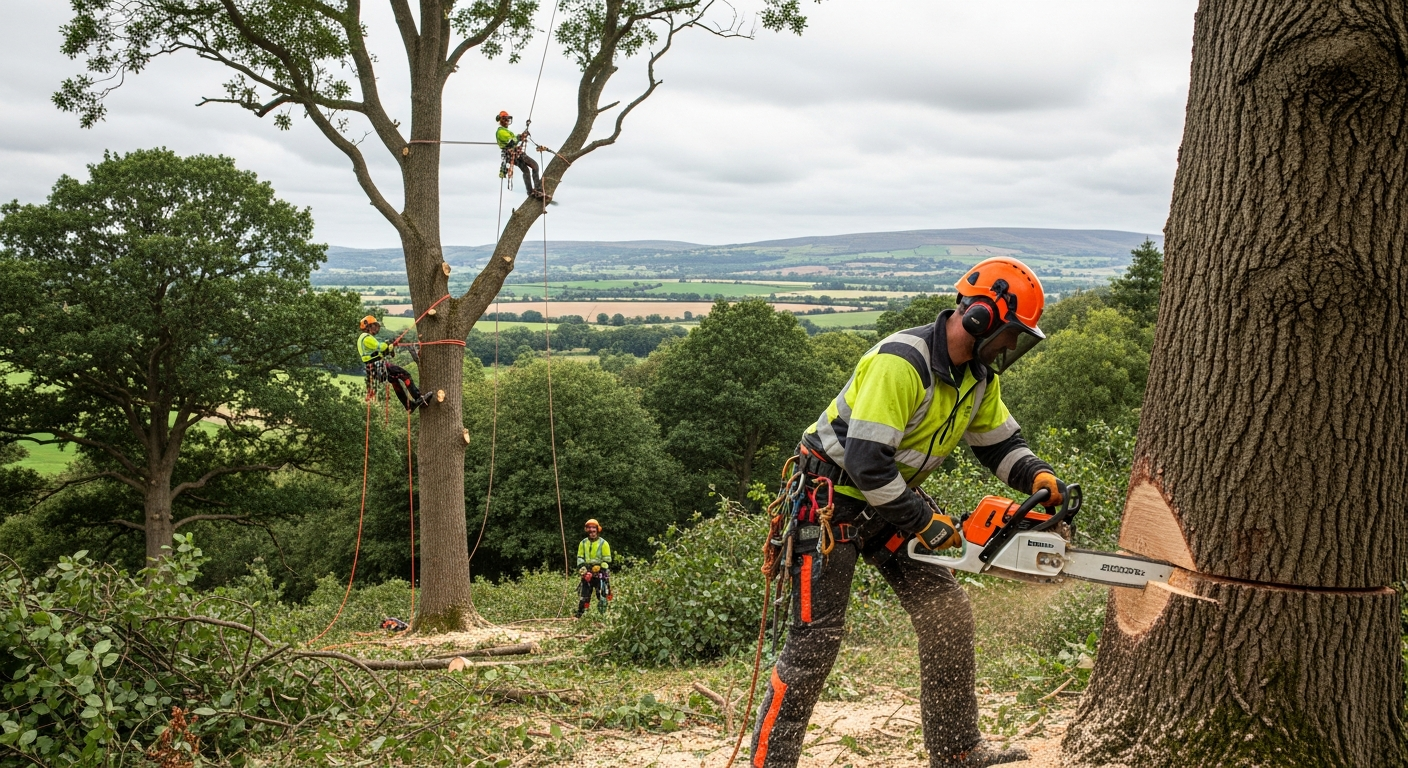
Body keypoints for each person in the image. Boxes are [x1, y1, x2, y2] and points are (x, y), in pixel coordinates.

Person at [749, 257, 1065, 768]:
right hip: (828, 502)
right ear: (982, 317)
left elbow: (998, 443)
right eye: (1009, 334)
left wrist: (1036, 475)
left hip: (890, 501)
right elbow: (868, 463)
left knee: (948, 615)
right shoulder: (903, 362)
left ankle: (957, 748)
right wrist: (924, 522)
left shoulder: (978, 377)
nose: (1010, 346)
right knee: (815, 641)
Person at [357, 316, 432, 413]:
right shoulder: (366, 338)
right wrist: (389, 345)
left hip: (374, 367)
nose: (376, 328)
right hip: (378, 365)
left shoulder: (362, 339)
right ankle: (418, 397)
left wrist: (390, 347)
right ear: (369, 326)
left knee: (395, 381)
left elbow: (378, 353)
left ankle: (409, 406)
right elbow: (381, 347)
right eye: (375, 325)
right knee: (404, 375)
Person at [495, 111, 547, 201]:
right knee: (535, 166)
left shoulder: (506, 131)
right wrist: (520, 136)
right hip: (514, 155)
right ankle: (537, 190)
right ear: (502, 120)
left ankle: (531, 192)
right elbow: (512, 141)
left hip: (514, 155)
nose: (507, 122)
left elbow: (515, 139)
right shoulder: (501, 132)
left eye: (508, 120)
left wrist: (522, 135)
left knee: (526, 171)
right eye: (506, 120)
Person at [575, 519, 612, 617]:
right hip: (587, 572)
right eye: (590, 530)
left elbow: (607, 560)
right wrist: (584, 571)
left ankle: (605, 616)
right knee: (584, 596)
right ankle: (580, 615)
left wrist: (598, 568)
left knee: (602, 595)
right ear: (587, 531)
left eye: (594, 530)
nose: (592, 533)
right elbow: (580, 558)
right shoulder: (583, 543)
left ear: (597, 530)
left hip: (600, 574)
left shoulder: (604, 543)